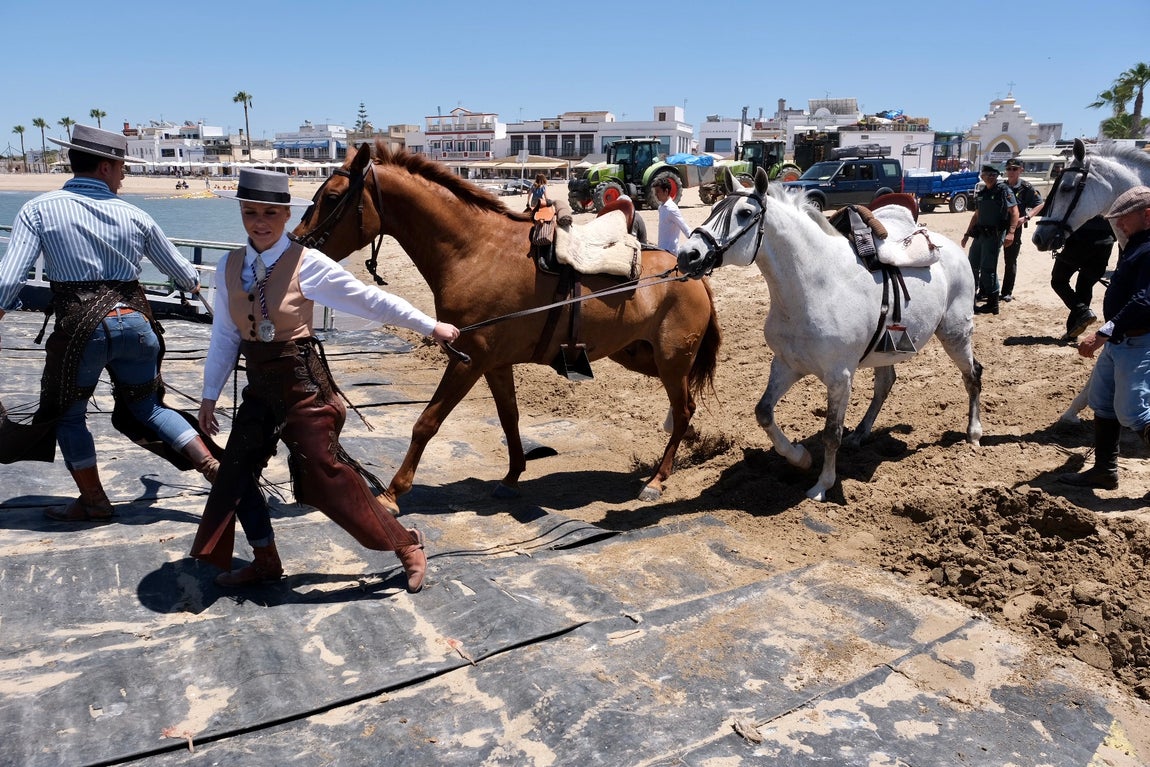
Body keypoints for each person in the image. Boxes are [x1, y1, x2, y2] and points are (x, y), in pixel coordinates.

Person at [191, 168, 461, 592]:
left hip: (301, 385)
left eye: (268, 213)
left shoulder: (307, 263)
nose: (258, 222)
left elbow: (370, 301)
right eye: (249, 212)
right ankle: (265, 560)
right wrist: (209, 397)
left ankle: (406, 544)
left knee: (323, 475)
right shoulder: (230, 266)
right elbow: (225, 335)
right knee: (234, 475)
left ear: (285, 216)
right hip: (259, 388)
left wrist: (431, 326)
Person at [0, 124, 219, 522]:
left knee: (69, 415)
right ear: (104, 167)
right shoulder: (135, 215)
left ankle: (95, 501)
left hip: (82, 329)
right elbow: (186, 276)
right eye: (121, 167)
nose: (124, 175)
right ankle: (215, 472)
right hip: (136, 325)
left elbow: (8, 279)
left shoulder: (38, 209)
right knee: (150, 408)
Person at [1060, 186, 1150, 491]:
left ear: (1147, 215)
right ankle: (1104, 470)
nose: (1119, 225)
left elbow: (1143, 301)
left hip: (1137, 342)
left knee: (1134, 412)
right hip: (1120, 341)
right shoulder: (1137, 245)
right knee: (1102, 401)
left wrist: (1102, 332)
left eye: (1124, 218)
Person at [960, 164, 1019, 315]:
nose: (991, 177)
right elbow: (976, 215)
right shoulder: (982, 192)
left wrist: (1011, 232)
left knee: (988, 268)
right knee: (972, 265)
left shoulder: (1003, 190)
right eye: (988, 174)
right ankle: (971, 298)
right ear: (982, 176)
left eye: (994, 174)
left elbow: (1014, 211)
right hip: (980, 234)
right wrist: (967, 234)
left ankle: (992, 303)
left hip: (995, 235)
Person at [1050, 215, 1116, 341]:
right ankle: (1072, 332)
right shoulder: (1110, 198)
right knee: (1085, 286)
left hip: (1079, 241)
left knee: (1058, 281)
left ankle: (1082, 312)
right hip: (1106, 243)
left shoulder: (1081, 196)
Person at [1000, 157, 1044, 303]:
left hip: (1014, 227)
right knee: (991, 258)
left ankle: (1006, 292)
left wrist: (1026, 217)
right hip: (998, 226)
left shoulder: (1026, 188)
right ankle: (988, 290)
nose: (1011, 172)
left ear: (1020, 170)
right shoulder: (1001, 186)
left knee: (1010, 260)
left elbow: (1040, 204)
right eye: (1008, 169)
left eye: (1014, 169)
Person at [654, 177, 690, 254]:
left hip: (670, 253)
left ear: (666, 191)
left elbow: (685, 228)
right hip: (661, 251)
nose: (655, 194)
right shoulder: (661, 208)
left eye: (658, 191)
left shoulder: (672, 209)